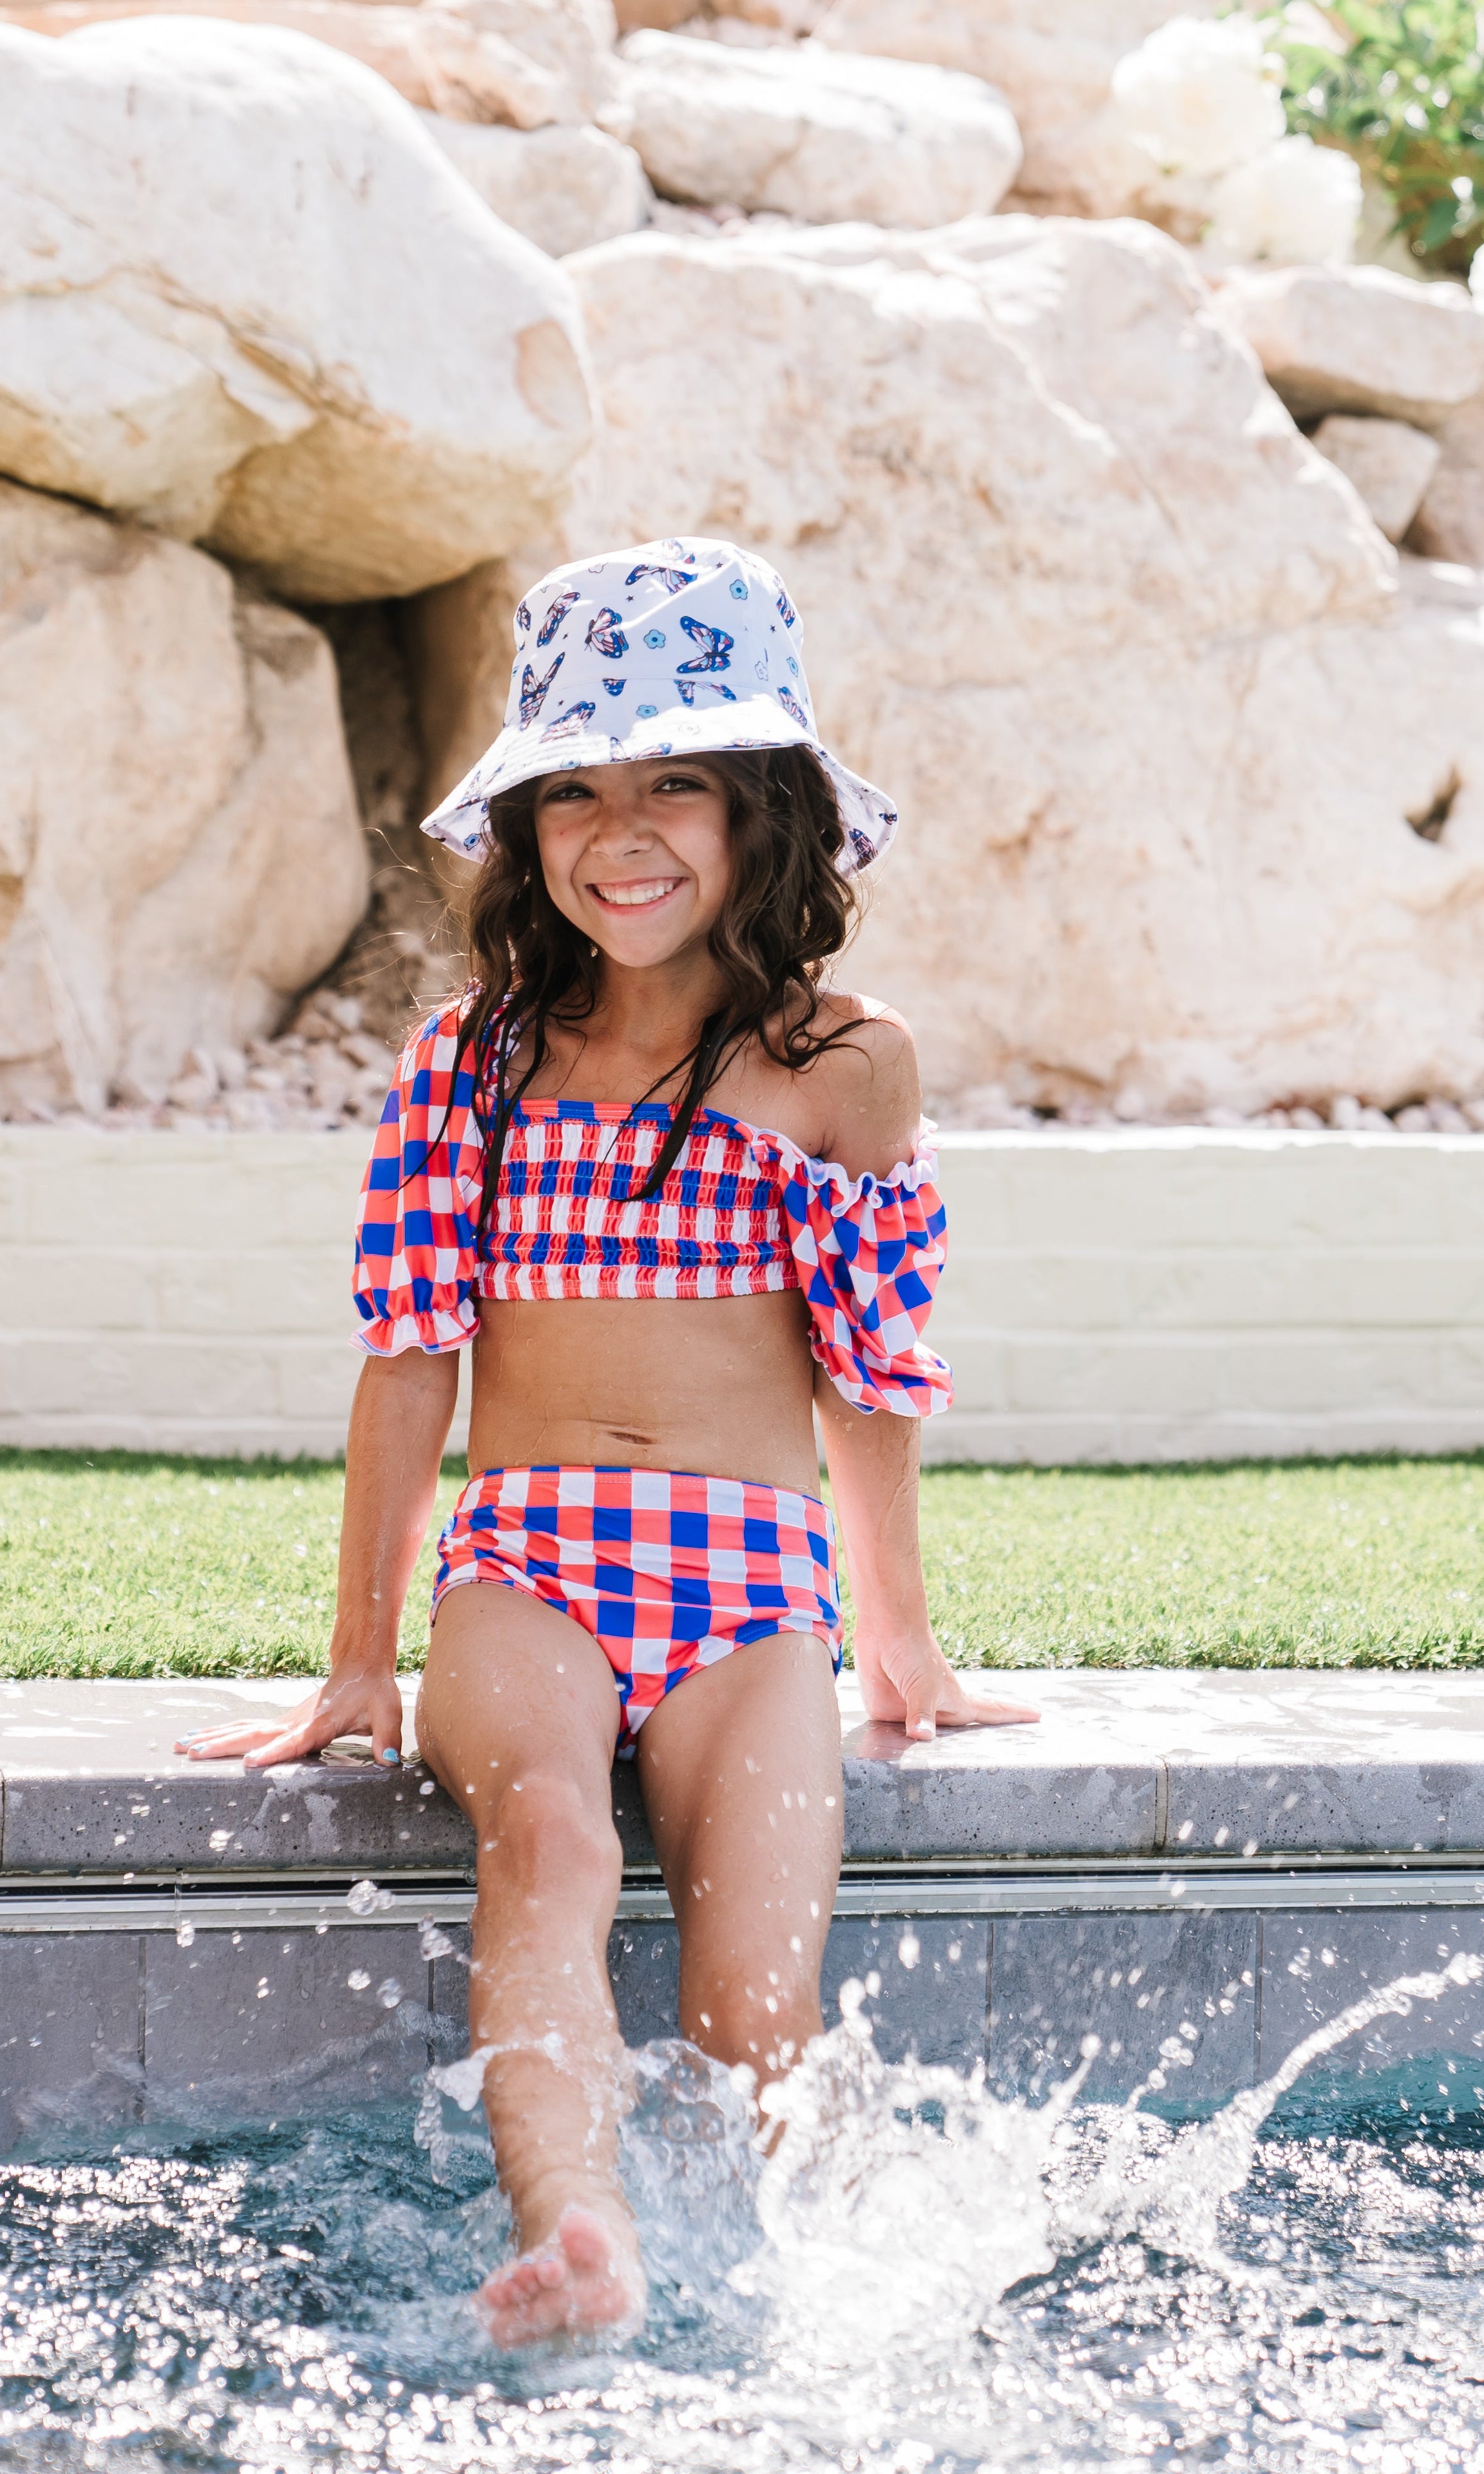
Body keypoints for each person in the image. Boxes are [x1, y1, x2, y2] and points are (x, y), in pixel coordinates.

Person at [175, 539, 1036, 2346]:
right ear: (530, 823)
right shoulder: (475, 1061)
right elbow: (410, 1365)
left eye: (679, 786)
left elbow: (869, 1374)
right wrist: (357, 1659)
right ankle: (580, 2237)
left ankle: (823, 2316)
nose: (620, 831)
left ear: (765, 816)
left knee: (755, 1992)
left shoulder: (843, 1064)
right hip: (532, 1564)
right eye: (576, 789)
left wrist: (901, 1635)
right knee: (552, 1840)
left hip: (751, 1584)